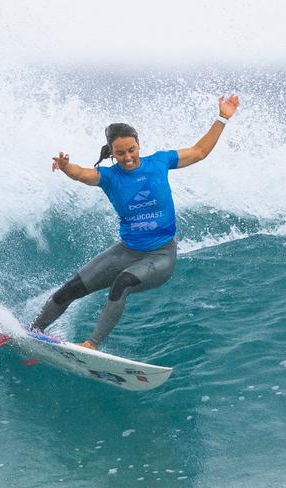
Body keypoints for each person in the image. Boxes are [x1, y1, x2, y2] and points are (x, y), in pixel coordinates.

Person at [30, 94, 240, 349]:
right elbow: (83, 174)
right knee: (70, 289)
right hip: (126, 251)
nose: (128, 156)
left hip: (161, 255)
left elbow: (199, 151)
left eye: (132, 149)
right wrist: (66, 167)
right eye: (120, 153)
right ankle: (33, 332)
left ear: (139, 145)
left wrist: (222, 118)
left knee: (123, 282)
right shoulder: (109, 177)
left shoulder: (159, 162)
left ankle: (91, 345)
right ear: (112, 153)